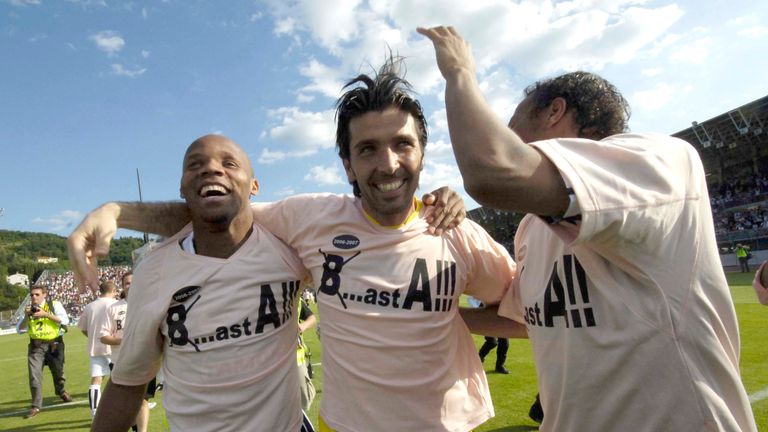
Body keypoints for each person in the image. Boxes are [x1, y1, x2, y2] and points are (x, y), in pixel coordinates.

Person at [68, 58, 517, 432]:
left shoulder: (456, 231)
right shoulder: (308, 221)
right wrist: (116, 212)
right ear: (347, 164)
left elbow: (524, 312)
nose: (388, 163)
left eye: (403, 144)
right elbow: (218, 211)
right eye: (367, 149)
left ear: (422, 153)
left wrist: (445, 316)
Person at [419, 25, 757, 432]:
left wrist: (458, 72)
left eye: (513, 126)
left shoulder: (662, 161)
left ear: (554, 111)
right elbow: (526, 320)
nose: (508, 137)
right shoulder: (533, 227)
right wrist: (434, 317)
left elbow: (492, 172)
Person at [92, 135, 315, 432]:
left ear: (255, 186)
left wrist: (116, 212)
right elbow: (128, 383)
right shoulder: (153, 272)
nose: (211, 169)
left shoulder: (290, 249)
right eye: (195, 164)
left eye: (229, 163)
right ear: (183, 189)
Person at [99, 271, 152, 432]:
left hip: (145, 360)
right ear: (122, 287)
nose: (130, 285)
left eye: (133, 282)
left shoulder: (149, 304)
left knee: (142, 400)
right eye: (127, 283)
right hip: (120, 361)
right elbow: (103, 336)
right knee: (124, 402)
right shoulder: (113, 308)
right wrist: (123, 341)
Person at [16, 285, 72, 419]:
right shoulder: (29, 309)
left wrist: (46, 314)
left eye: (37, 294)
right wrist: (26, 316)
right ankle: (36, 406)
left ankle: (61, 391)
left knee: (58, 373)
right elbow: (19, 329)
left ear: (44, 295)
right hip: (36, 346)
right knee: (34, 376)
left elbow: (65, 320)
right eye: (32, 295)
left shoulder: (54, 305)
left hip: (55, 344)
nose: (34, 297)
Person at [78, 280, 118, 418]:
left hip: (96, 348)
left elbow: (83, 328)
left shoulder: (90, 306)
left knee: (96, 380)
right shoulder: (116, 304)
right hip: (114, 347)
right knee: (121, 380)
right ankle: (128, 407)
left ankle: (95, 413)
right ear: (113, 291)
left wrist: (92, 337)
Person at [297, 298, 317, 411]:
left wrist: (303, 326)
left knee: (304, 401)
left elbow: (312, 318)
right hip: (271, 360)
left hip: (296, 360)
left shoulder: (295, 299)